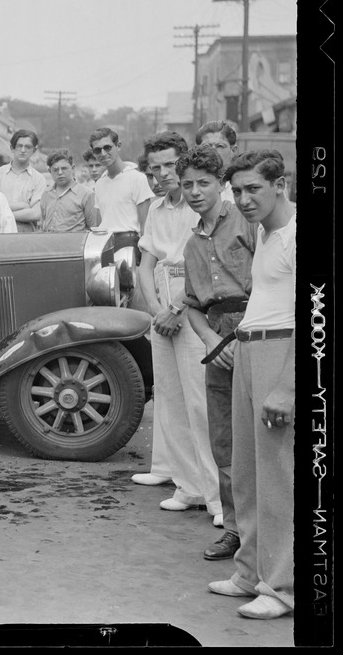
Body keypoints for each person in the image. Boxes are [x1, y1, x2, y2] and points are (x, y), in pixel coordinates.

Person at [209, 150, 295, 620]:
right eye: (237, 191)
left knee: (280, 478)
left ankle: (284, 587)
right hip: (248, 349)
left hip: (280, 354)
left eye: (253, 189)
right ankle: (250, 572)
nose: (242, 199)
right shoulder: (266, 232)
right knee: (246, 472)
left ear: (280, 184)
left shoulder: (301, 233)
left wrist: (287, 387)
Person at [134, 132, 220, 526]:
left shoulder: (202, 204)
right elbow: (145, 263)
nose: (164, 174)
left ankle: (219, 498)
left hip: (192, 303)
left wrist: (174, 309)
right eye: (156, 168)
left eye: (171, 165)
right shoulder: (156, 208)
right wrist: (155, 309)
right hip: (162, 306)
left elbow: (202, 267)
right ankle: (188, 486)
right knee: (170, 396)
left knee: (200, 400)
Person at [178, 145, 258, 563]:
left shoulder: (246, 221)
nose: (195, 191)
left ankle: (274, 536)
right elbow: (192, 304)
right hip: (217, 341)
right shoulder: (191, 244)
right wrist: (211, 340)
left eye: (204, 183)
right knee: (224, 441)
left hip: (257, 331)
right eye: (187, 184)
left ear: (221, 184)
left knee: (263, 438)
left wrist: (245, 331)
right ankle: (234, 532)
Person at [89, 128, 155, 237]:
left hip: (129, 243)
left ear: (118, 146)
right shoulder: (100, 183)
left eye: (107, 148)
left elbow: (145, 226)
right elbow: (100, 223)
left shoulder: (137, 178)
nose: (103, 153)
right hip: (105, 243)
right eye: (97, 150)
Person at [0, 130, 45, 232]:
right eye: (19, 146)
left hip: (26, 236)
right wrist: (24, 206)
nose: (23, 150)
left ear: (34, 150)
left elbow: (36, 214)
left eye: (28, 147)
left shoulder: (39, 179)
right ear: (12, 148)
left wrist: (5, 215)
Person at [39, 150, 100, 233]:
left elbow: (93, 228)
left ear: (72, 168)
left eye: (64, 168)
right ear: (50, 171)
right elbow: (42, 225)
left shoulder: (86, 194)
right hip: (49, 243)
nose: (60, 173)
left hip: (74, 243)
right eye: (55, 170)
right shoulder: (46, 194)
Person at [195, 120, 240, 205]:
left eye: (220, 146)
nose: (213, 151)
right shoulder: (190, 187)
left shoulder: (241, 186)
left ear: (233, 150)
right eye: (207, 146)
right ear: (196, 150)